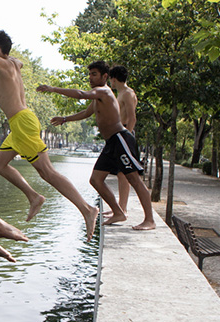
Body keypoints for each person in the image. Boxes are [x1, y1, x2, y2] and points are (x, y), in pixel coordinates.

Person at [0, 30, 99, 241]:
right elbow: (19, 62)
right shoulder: (13, 62)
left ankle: (87, 209)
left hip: (22, 122)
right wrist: (8, 56)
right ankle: (33, 197)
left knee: (48, 173)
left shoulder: (1, 62)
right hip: (19, 124)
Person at [37, 61, 156, 231]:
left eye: (94, 74)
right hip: (111, 143)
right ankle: (118, 212)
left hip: (120, 139)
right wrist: (65, 119)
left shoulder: (104, 91)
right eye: (89, 74)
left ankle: (150, 220)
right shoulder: (97, 96)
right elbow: (86, 112)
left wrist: (53, 89)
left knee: (134, 179)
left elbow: (80, 94)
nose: (90, 78)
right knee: (95, 180)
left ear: (105, 76)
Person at [108, 65, 139, 217]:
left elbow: (132, 117)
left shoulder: (127, 93)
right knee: (120, 173)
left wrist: (127, 136)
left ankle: (123, 208)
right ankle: (119, 207)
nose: (110, 83)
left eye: (110, 80)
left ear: (114, 79)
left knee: (124, 173)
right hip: (119, 133)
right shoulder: (120, 93)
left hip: (125, 132)